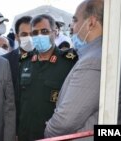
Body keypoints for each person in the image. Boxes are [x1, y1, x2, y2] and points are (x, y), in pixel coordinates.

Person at [44, 0, 104, 140]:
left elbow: (65, 122)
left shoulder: (93, 61)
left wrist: (48, 133)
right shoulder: (100, 53)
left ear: (91, 23)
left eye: (75, 21)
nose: (72, 27)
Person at [17, 14, 78, 141]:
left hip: (53, 134)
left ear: (55, 33)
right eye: (35, 32)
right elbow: (18, 100)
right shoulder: (24, 61)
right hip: (26, 133)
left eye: (44, 31)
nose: (39, 36)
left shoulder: (68, 62)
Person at [3, 15, 34, 136]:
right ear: (16, 36)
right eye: (24, 34)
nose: (29, 38)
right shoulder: (4, 62)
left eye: (32, 33)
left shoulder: (47, 60)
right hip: (14, 128)